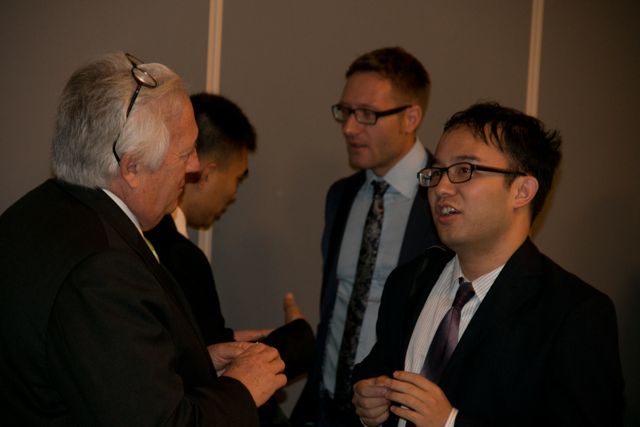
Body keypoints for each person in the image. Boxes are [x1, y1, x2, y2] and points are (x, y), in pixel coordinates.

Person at [0, 52, 286, 426]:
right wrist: (243, 388)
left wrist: (195, 365)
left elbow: (101, 376)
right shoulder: (103, 269)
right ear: (132, 167)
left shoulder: (38, 210)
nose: (195, 166)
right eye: (185, 152)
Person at [352, 102, 625, 426]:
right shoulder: (410, 279)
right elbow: (378, 367)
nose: (441, 188)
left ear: (522, 191)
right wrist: (367, 399)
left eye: (464, 170)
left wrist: (450, 422)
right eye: (437, 172)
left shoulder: (574, 312)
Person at [144, 93, 315, 426]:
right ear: (204, 172)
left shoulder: (144, 238)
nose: (234, 195)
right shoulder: (181, 257)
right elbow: (202, 381)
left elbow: (188, 349)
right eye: (237, 178)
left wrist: (231, 342)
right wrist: (297, 341)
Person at [291, 46, 440, 426]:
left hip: (396, 410)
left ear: (411, 117)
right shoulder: (341, 196)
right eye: (345, 111)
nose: (349, 128)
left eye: (367, 115)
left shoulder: (443, 196)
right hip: (326, 402)